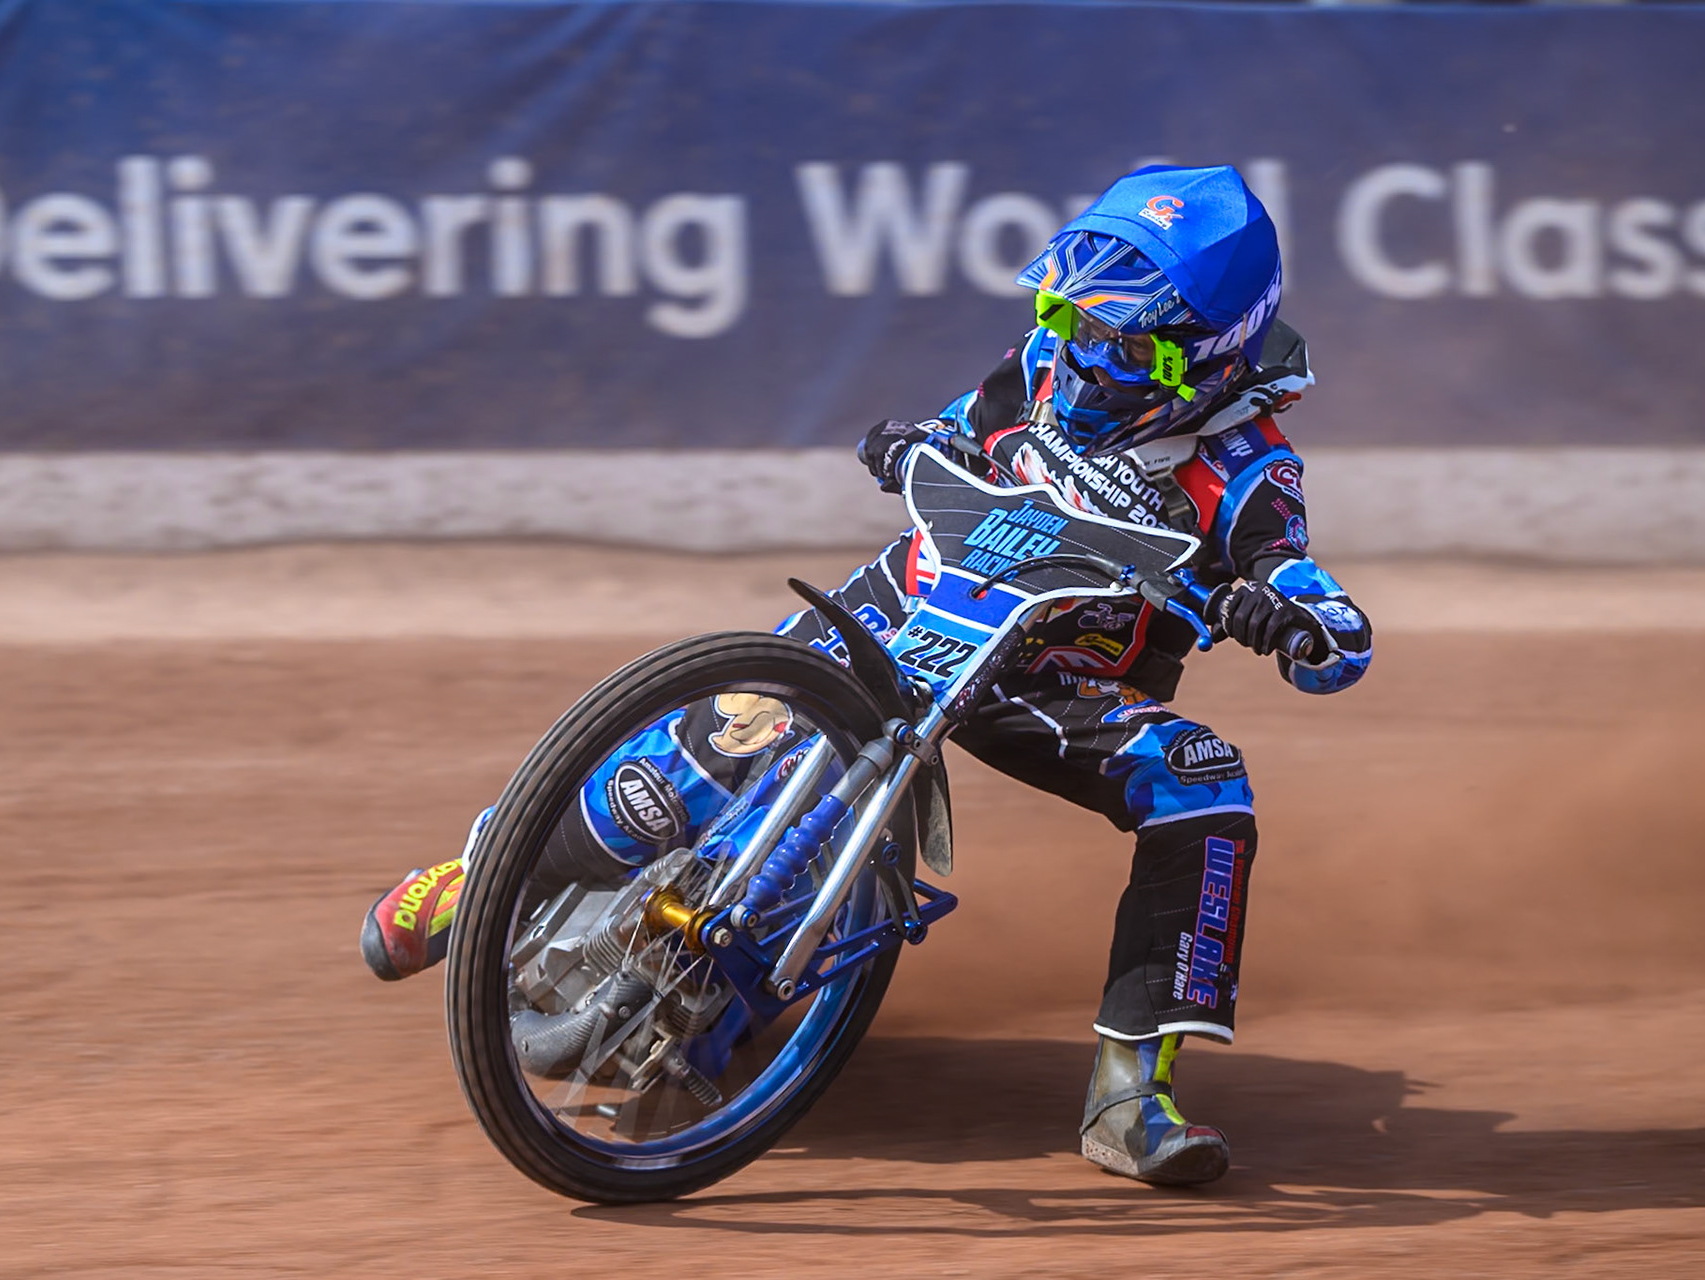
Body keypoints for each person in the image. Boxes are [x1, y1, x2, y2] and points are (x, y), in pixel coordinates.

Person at [360, 164, 1372, 1188]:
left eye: (1124, 341)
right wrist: (907, 441)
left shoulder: (1246, 469)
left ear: (1205, 356)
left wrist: (1290, 619)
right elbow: (951, 426)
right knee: (705, 744)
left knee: (1206, 775)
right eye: (1069, 312)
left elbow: (1331, 618)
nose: (1083, 350)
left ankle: (1129, 1091)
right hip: (902, 610)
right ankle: (483, 875)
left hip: (1049, 680)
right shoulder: (1043, 363)